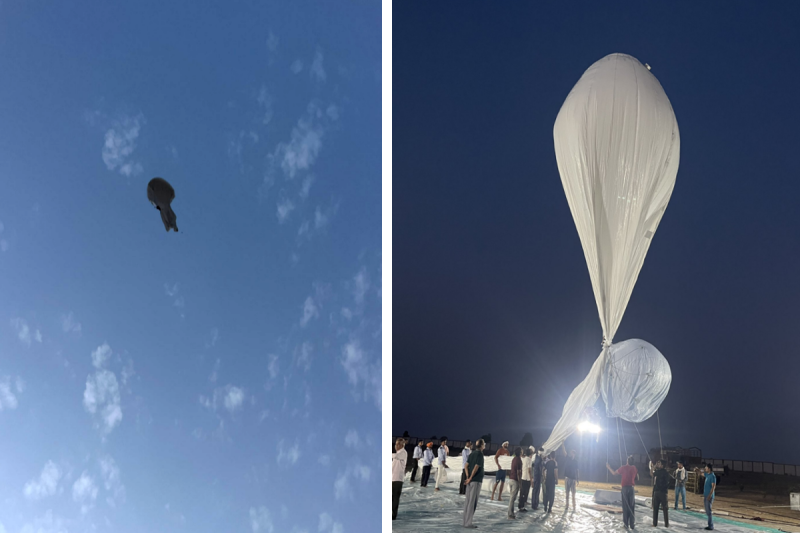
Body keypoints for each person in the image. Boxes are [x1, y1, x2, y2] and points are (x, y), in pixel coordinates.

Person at [607, 456, 639, 529]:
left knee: (625, 507)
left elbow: (614, 473)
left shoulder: (624, 467)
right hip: (631, 488)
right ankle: (632, 525)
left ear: (627, 461)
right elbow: (637, 478)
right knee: (631, 507)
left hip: (625, 488)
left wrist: (608, 467)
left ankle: (626, 525)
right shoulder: (634, 468)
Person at [463, 439, 486, 529]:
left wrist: (468, 477)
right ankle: (468, 523)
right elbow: (476, 467)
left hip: (470, 481)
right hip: (476, 480)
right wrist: (471, 478)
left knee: (468, 501)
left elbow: (466, 466)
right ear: (481, 445)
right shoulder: (480, 454)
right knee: (472, 502)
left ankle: (465, 521)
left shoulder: (472, 453)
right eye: (484, 444)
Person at [650, 460, 670, 527]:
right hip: (661, 492)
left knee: (660, 509)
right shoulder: (662, 472)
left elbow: (651, 473)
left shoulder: (661, 472)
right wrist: (654, 467)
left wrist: (653, 467)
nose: (658, 464)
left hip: (660, 492)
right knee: (661, 509)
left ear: (662, 465)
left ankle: (658, 524)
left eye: (659, 463)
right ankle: (664, 524)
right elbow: (652, 473)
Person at [697, 464, 717, 530]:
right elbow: (701, 474)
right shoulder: (707, 475)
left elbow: (713, 486)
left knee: (709, 511)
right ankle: (710, 525)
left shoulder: (712, 476)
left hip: (709, 496)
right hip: (706, 495)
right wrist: (697, 470)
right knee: (707, 510)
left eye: (706, 467)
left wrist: (710, 495)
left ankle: (711, 526)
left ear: (709, 468)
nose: (705, 468)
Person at [392, 438, 407, 520]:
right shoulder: (397, 453)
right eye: (396, 444)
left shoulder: (403, 453)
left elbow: (396, 456)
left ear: (402, 445)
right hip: (393, 478)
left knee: (395, 498)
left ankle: (393, 515)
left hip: (398, 479)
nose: (396, 446)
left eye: (398, 444)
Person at [561, 445, 579, 511]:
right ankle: (567, 505)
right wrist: (563, 445)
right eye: (570, 453)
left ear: (574, 454)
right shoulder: (568, 458)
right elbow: (564, 452)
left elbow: (577, 470)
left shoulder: (576, 462)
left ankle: (574, 506)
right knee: (567, 493)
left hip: (573, 479)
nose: (570, 454)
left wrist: (577, 479)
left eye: (572, 453)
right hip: (567, 478)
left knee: (573, 494)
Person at [507, 447, 522, 519]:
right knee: (512, 498)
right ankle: (510, 514)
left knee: (512, 497)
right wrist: (520, 482)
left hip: (511, 479)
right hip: (515, 480)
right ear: (520, 452)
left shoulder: (514, 459)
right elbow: (518, 472)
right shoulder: (519, 460)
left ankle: (511, 513)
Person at [518, 447, 533, 512]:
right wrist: (531, 479)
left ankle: (520, 505)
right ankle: (522, 506)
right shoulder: (529, 460)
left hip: (523, 477)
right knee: (525, 493)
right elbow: (529, 471)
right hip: (527, 479)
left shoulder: (523, 459)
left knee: (522, 492)